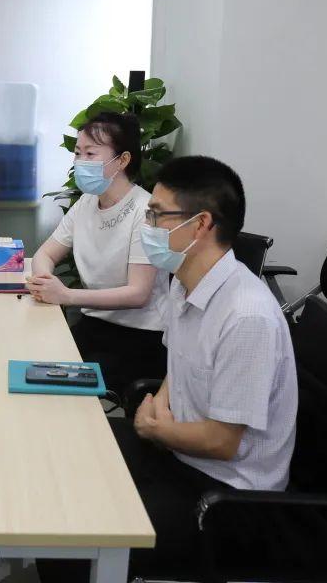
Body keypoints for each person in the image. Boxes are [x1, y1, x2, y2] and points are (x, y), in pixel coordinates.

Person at [37, 155, 298, 582]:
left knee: (73, 533)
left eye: (157, 215)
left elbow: (222, 442)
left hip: (228, 499)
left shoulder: (247, 317)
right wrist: (157, 407)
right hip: (179, 454)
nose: (147, 225)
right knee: (63, 456)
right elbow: (177, 370)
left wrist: (153, 427)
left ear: (200, 225)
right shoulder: (185, 284)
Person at [27, 112, 169, 393]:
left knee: (52, 385)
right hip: (94, 324)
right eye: (78, 153)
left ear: (123, 160)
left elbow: (138, 293)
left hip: (140, 336)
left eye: (90, 154)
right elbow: (45, 255)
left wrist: (66, 295)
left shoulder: (147, 211)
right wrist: (45, 282)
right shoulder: (86, 203)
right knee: (34, 360)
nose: (80, 162)